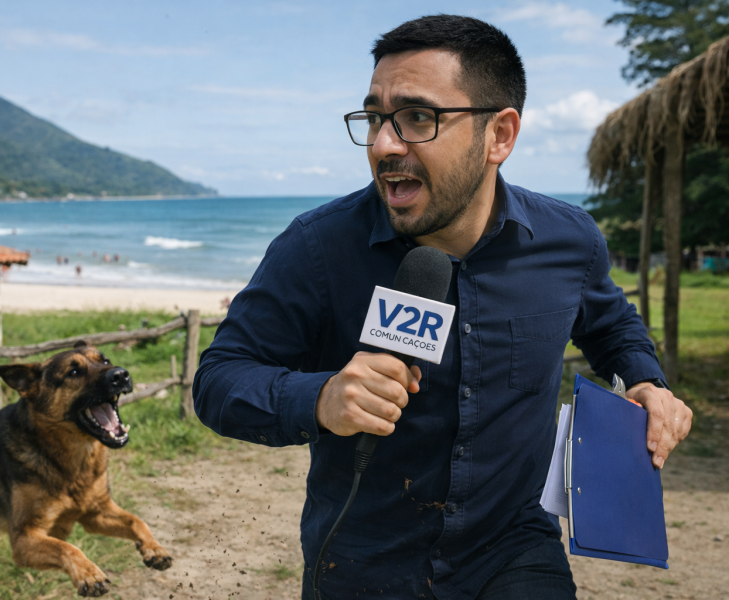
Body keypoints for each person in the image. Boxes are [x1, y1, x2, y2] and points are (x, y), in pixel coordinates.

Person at [193, 15, 692, 600]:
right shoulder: (316, 248)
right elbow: (218, 381)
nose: (384, 144)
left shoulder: (570, 242)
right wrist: (323, 398)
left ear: (499, 136)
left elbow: (612, 326)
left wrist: (646, 381)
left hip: (514, 548)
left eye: (417, 117)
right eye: (376, 118)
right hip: (361, 562)